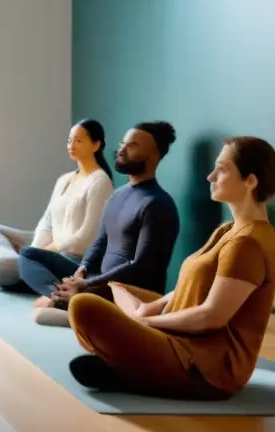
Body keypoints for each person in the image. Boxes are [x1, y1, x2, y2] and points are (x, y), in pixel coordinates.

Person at [69, 136, 275, 399]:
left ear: (251, 180)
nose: (210, 176)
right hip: (182, 337)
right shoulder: (229, 230)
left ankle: (132, 370)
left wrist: (147, 322)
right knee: (107, 291)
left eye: (221, 169)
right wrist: (149, 308)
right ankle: (133, 367)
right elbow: (187, 289)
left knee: (82, 307)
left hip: (207, 367)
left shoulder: (247, 243)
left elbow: (212, 316)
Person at [18, 121, 180, 327]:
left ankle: (72, 304)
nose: (121, 150)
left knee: (41, 316)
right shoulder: (119, 195)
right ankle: (64, 298)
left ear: (153, 155)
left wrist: (87, 284)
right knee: (28, 255)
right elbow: (100, 240)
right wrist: (82, 271)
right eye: (123, 143)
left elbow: (141, 267)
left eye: (132, 145)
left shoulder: (158, 204)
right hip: (97, 280)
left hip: (126, 291)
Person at [0, 119, 114, 288]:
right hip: (47, 248)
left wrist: (41, 252)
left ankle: (15, 262)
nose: (71, 145)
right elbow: (46, 223)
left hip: (70, 258)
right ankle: (17, 260)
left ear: (96, 145)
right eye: (69, 140)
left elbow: (85, 239)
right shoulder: (64, 180)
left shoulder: (100, 182)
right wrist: (35, 249)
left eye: (78, 140)